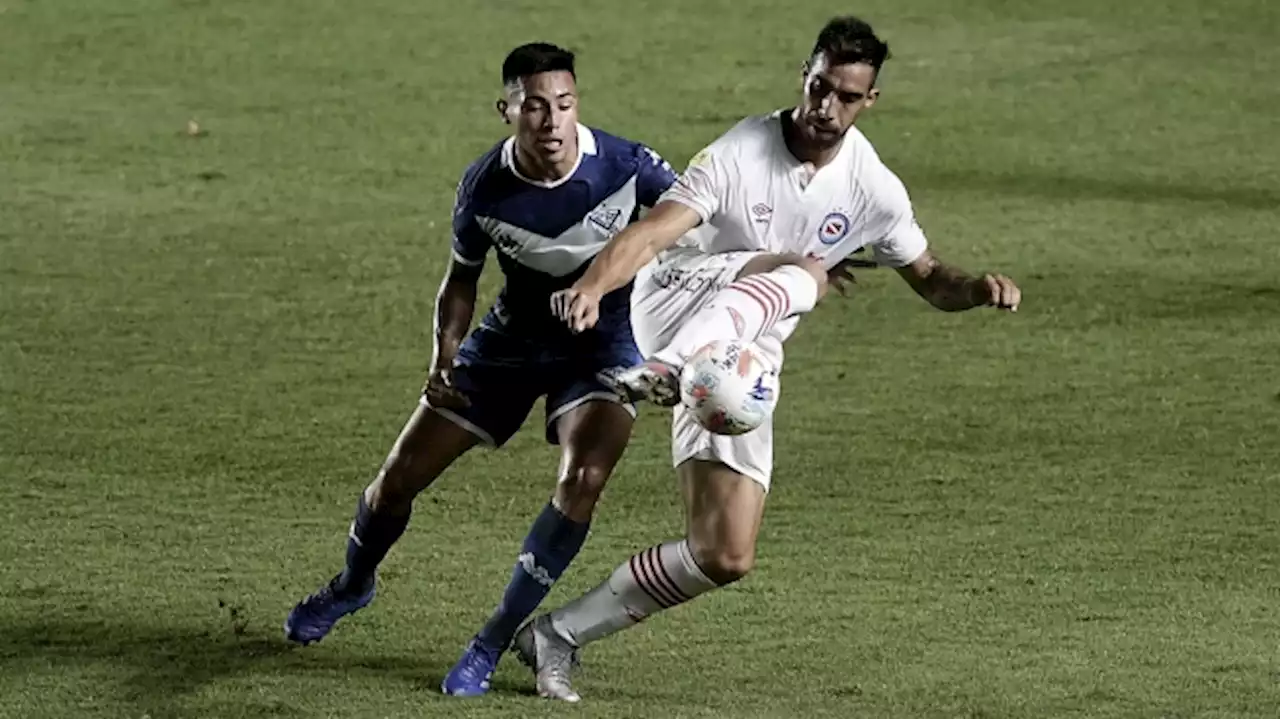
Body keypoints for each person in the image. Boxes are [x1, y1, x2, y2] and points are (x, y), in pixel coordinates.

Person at [511, 17, 1022, 702]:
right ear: (803, 76)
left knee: (724, 552)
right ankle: (669, 370)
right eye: (818, 88)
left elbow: (931, 278)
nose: (826, 108)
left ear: (868, 101)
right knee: (809, 271)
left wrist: (978, 289)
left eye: (845, 96)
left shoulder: (872, 189)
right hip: (675, 303)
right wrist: (595, 285)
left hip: (741, 362)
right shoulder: (738, 153)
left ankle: (557, 635)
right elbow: (656, 230)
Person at [282, 41, 678, 698]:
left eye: (565, 104)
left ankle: (491, 643)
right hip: (509, 342)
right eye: (534, 107)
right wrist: (442, 359)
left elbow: (697, 216)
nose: (552, 121)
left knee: (582, 479)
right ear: (507, 110)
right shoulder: (483, 188)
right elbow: (459, 283)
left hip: (603, 343)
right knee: (396, 481)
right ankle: (353, 583)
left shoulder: (628, 165)